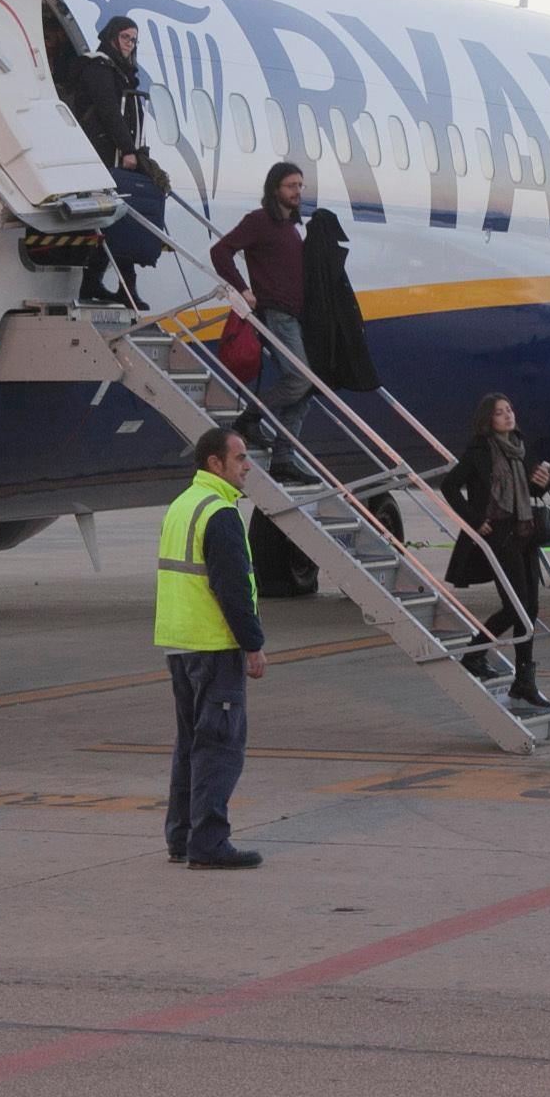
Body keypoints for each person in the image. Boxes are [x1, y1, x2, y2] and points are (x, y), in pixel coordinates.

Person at [155, 426, 269, 870]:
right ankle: (209, 842)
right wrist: (253, 644)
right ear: (214, 464)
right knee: (219, 748)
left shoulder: (183, 505)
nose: (247, 466)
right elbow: (233, 588)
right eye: (240, 458)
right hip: (214, 646)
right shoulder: (220, 513)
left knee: (191, 745)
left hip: (180, 644)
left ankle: (182, 836)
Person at [444, 392, 550, 711]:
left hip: (525, 532)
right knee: (514, 607)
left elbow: (531, 489)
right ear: (487, 420)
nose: (508, 416)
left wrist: (543, 482)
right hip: (501, 535)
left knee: (529, 608)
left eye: (509, 410)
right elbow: (451, 485)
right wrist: (475, 520)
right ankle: (474, 653)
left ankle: (524, 682)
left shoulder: (520, 446)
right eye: (500, 413)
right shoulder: (480, 450)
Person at [210, 162, 313, 482]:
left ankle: (284, 456)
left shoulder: (291, 227)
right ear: (274, 189)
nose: (297, 191)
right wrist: (243, 290)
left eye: (300, 186)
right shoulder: (259, 221)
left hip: (296, 316)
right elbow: (221, 252)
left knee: (305, 391)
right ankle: (249, 418)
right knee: (299, 380)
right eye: (290, 186)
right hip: (276, 315)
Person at [75, 16, 154, 309]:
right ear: (111, 38)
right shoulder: (97, 67)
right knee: (111, 220)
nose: (129, 45)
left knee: (115, 221)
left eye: (133, 40)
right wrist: (128, 149)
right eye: (125, 38)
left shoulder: (121, 71)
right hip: (103, 157)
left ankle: (106, 283)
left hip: (116, 156)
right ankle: (121, 287)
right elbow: (110, 113)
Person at [301, 207, 379, 393]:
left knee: (302, 385)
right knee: (301, 385)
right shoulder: (325, 258)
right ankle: (254, 413)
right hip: (323, 330)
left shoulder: (312, 254)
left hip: (314, 330)